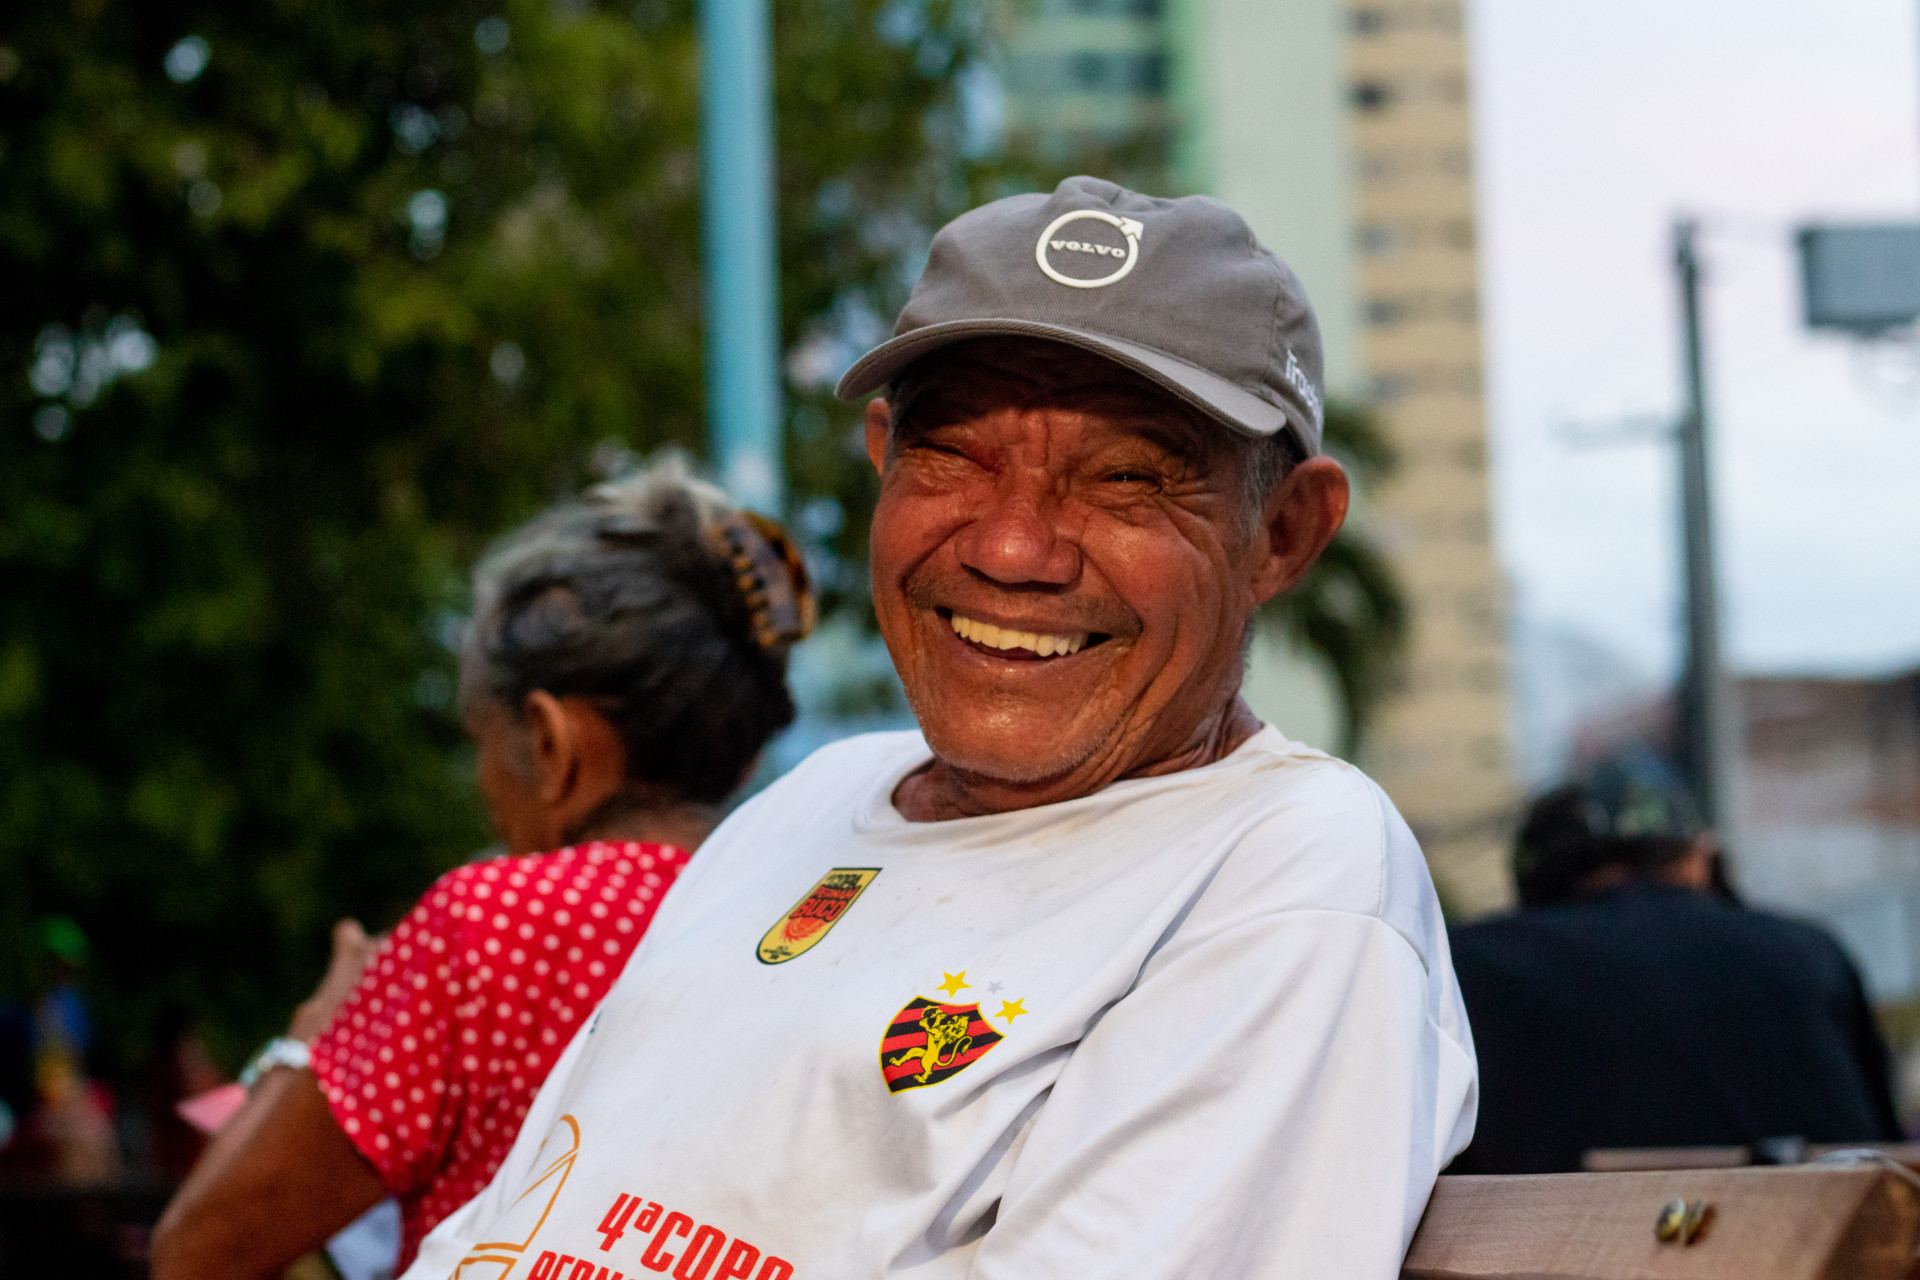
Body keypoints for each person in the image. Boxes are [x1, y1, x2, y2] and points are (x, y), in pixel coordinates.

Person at [402, 177, 1476, 1280]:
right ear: (882, 455)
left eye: (1125, 479)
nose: (1013, 547)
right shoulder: (817, 799)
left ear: (1284, 534)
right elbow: (523, 1211)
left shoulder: (1287, 867)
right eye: (954, 455)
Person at [151, 458, 813, 1278]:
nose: (482, 784)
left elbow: (196, 1253)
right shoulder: (807, 914)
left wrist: (309, 1040)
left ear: (549, 741)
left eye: (480, 742)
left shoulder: (492, 931)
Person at [1447, 752, 1900, 1174]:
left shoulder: (1467, 966)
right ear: (1697, 856)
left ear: (1533, 879)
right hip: (1814, 1249)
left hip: (1559, 1252)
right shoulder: (1811, 954)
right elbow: (1885, 1153)